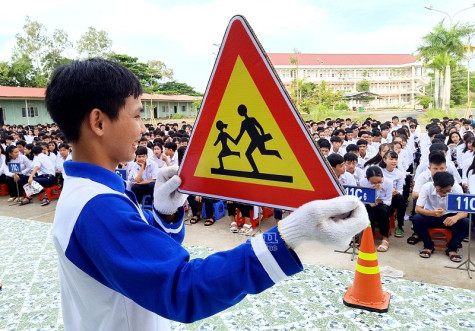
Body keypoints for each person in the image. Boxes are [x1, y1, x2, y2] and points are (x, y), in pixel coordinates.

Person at [45, 58, 368, 329]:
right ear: (98, 122)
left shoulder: (86, 193)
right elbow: (181, 288)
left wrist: (164, 215)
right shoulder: (96, 207)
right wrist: (289, 234)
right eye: (138, 115)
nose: (144, 128)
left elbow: (137, 263)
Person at [413, 171, 469, 261]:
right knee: (417, 219)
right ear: (435, 185)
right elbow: (417, 209)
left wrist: (455, 218)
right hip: (430, 215)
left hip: (449, 217)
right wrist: (432, 213)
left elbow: (464, 212)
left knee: (466, 222)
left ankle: (452, 248)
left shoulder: (457, 189)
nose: (444, 195)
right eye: (441, 191)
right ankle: (428, 246)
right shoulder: (427, 187)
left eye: (447, 191)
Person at [360, 166, 393, 252]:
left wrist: (377, 197)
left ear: (382, 177)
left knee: (382, 210)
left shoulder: (388, 182)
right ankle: (369, 235)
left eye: (379, 181)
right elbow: (363, 200)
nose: (377, 184)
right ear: (367, 180)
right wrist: (371, 200)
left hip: (384, 205)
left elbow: (388, 201)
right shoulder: (362, 182)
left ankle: (385, 238)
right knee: (368, 209)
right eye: (373, 183)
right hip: (370, 205)